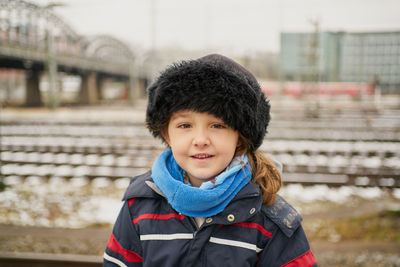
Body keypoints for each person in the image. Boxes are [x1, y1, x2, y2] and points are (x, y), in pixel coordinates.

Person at [103, 54, 317, 267]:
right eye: (185, 125)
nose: (201, 140)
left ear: (240, 137)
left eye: (217, 125)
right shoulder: (139, 207)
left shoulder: (270, 221)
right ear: (167, 134)